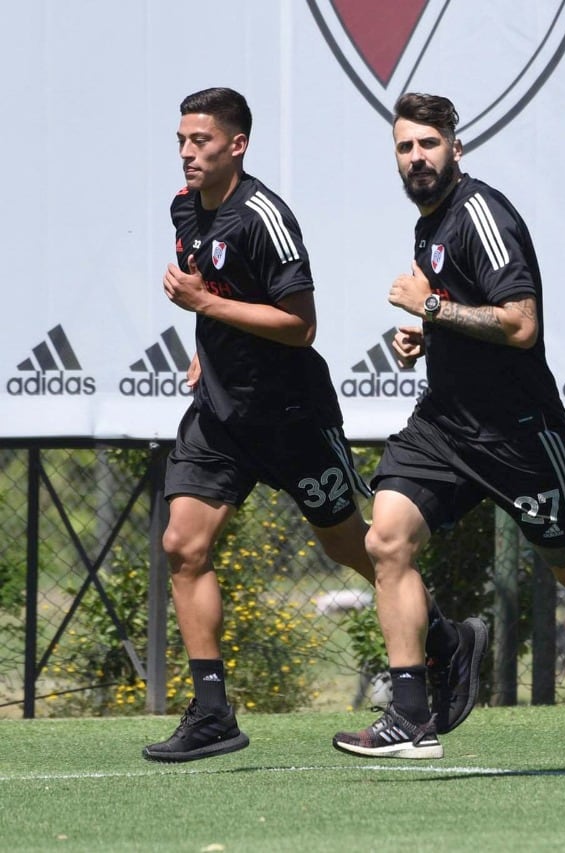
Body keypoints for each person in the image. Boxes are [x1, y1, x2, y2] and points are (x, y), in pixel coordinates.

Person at [331, 93, 565, 776]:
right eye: (405, 147)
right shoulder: (431, 222)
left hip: (520, 436)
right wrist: (426, 329)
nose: (417, 157)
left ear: (456, 147)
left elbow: (522, 323)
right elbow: (461, 312)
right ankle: (412, 713)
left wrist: (433, 305)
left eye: (429, 144)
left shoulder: (482, 213)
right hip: (446, 425)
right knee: (384, 538)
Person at [145, 87, 484, 762]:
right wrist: (201, 346)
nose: (187, 152)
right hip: (220, 416)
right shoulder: (186, 209)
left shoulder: (263, 216)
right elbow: (220, 298)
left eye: (201, 141)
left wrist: (204, 303)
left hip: (291, 415)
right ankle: (212, 711)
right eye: (182, 140)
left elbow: (300, 325)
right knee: (182, 544)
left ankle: (444, 637)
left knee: (347, 545)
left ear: (236, 145)